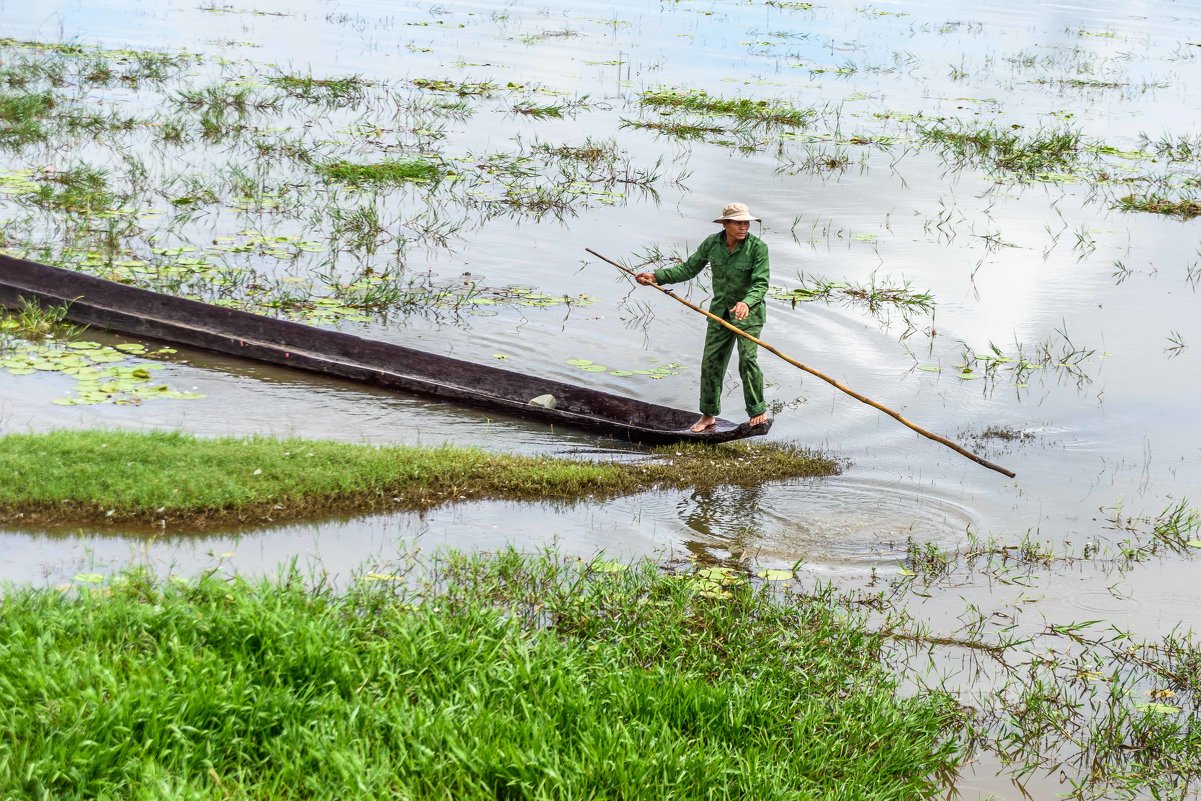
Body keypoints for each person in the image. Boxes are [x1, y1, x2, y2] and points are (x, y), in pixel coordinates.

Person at [635, 202, 770, 433]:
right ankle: (708, 415)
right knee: (711, 363)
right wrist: (656, 276)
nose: (744, 226)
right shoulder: (712, 244)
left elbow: (760, 283)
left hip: (749, 315)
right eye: (738, 222)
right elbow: (688, 269)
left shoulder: (758, 248)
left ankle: (758, 410)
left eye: (746, 222)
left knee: (747, 360)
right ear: (725, 224)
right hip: (719, 313)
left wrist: (746, 303)